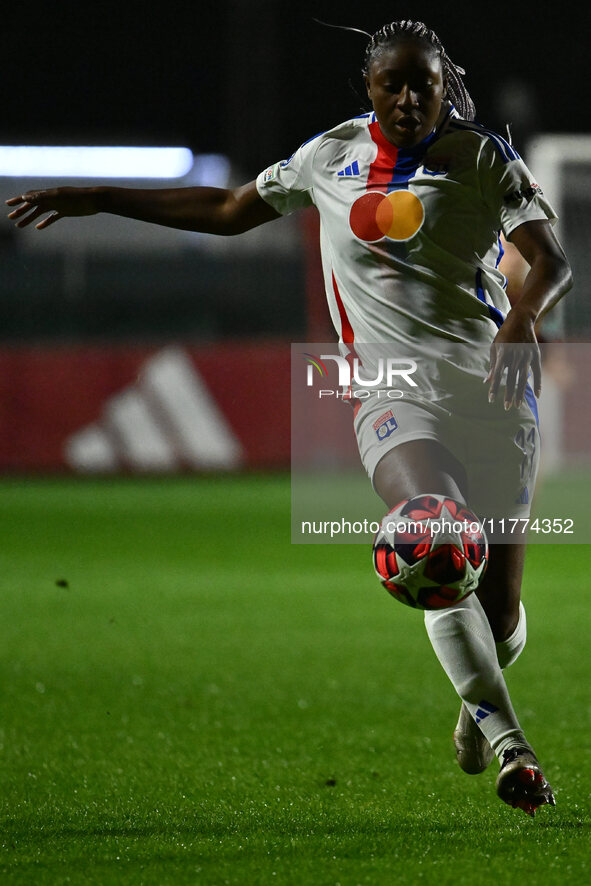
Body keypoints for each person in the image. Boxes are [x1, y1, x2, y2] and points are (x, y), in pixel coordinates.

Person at [6, 19, 572, 816]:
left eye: (424, 85)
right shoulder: (328, 156)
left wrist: (518, 322)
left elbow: (550, 261)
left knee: (501, 612)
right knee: (431, 535)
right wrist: (98, 197)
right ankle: (512, 744)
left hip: (492, 391)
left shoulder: (482, 158)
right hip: (391, 389)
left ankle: (475, 703)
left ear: (444, 85)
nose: (409, 99)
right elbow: (233, 207)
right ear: (368, 86)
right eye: (392, 85)